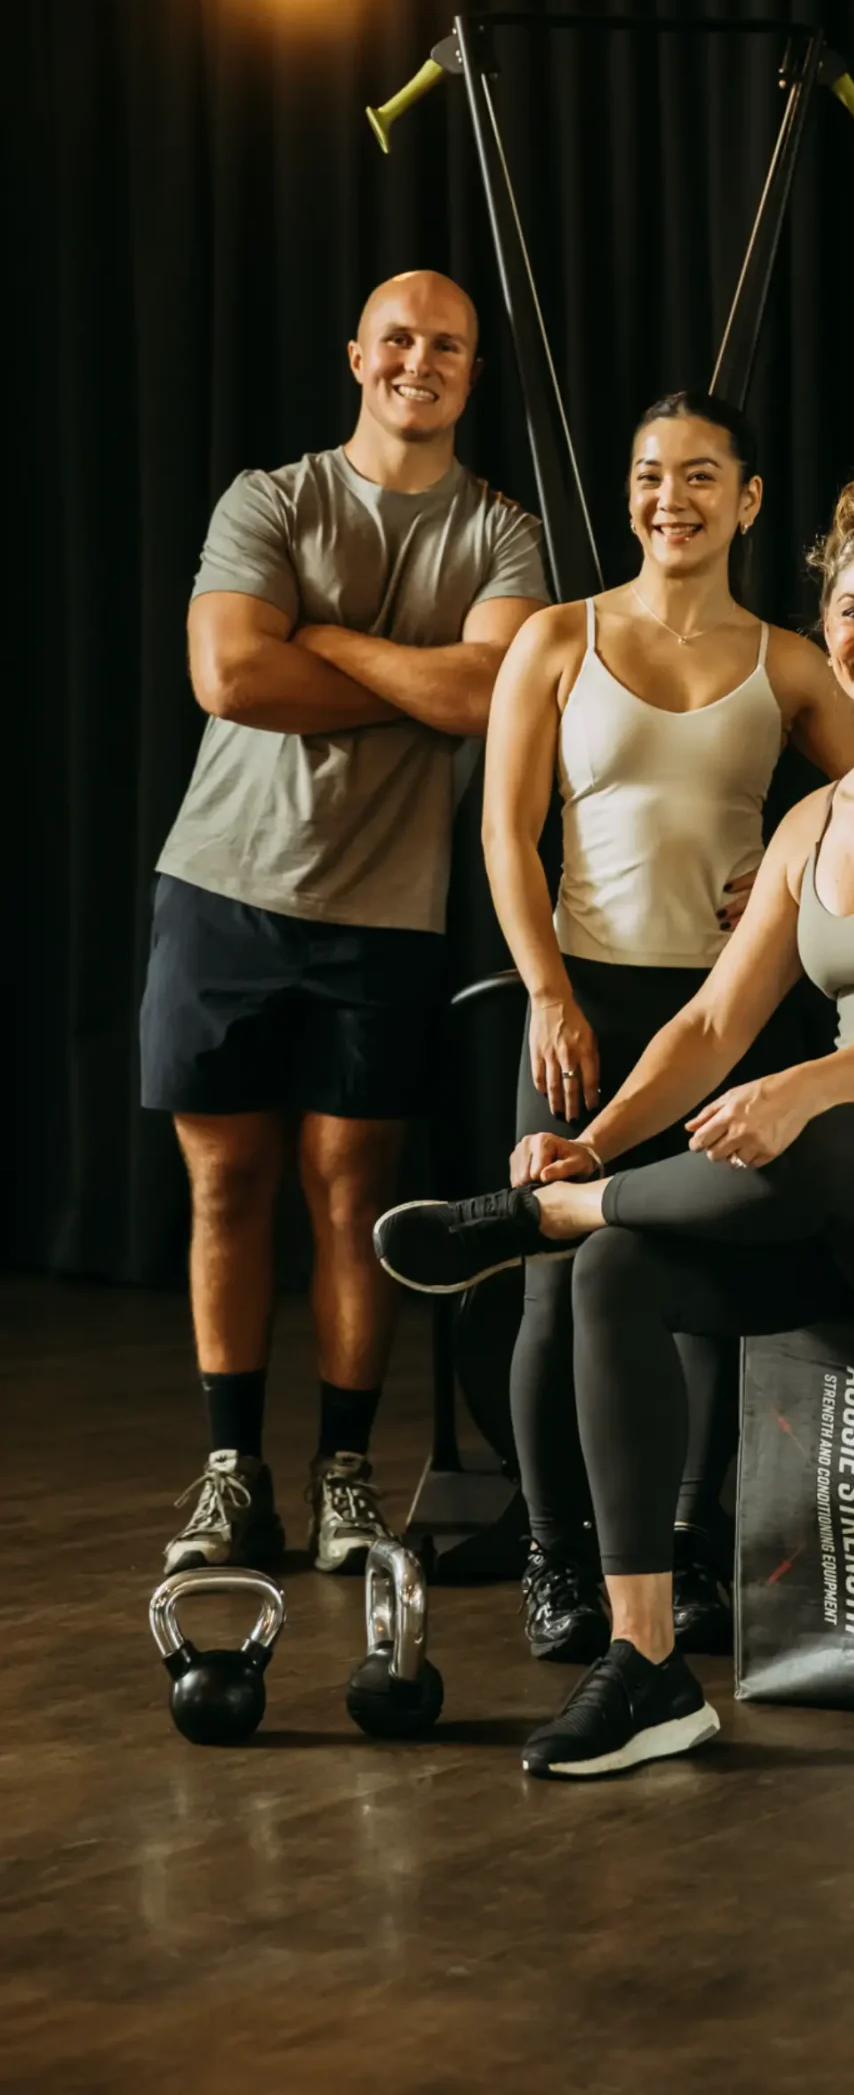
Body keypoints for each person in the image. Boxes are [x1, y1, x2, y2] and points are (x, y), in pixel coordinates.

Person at [375, 464, 854, 1779]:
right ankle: (642, 1664)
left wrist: (802, 1090)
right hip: (836, 1203)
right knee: (619, 1271)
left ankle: (539, 1217)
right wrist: (601, 1139)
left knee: (806, 1130)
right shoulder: (811, 821)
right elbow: (707, 1026)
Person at [141, 270, 548, 1574]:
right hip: (222, 889)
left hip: (387, 912)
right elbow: (228, 674)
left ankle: (344, 1477)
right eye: (397, 340)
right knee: (225, 1183)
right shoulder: (271, 497)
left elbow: (490, 697)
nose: (417, 361)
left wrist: (327, 638)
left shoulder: (501, 532)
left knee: (351, 1193)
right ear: (356, 357)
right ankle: (230, 1476)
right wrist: (412, 680)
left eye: (446, 345)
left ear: (472, 372)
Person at [482, 388, 854, 1665]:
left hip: (724, 1015)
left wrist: (803, 851)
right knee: (551, 1291)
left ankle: (687, 1545)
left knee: (690, 1296)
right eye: (651, 474)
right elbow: (504, 831)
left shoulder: (790, 660)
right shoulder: (555, 638)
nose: (671, 499)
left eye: (702, 476)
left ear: (746, 500)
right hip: (580, 1005)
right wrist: (546, 988)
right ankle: (555, 1554)